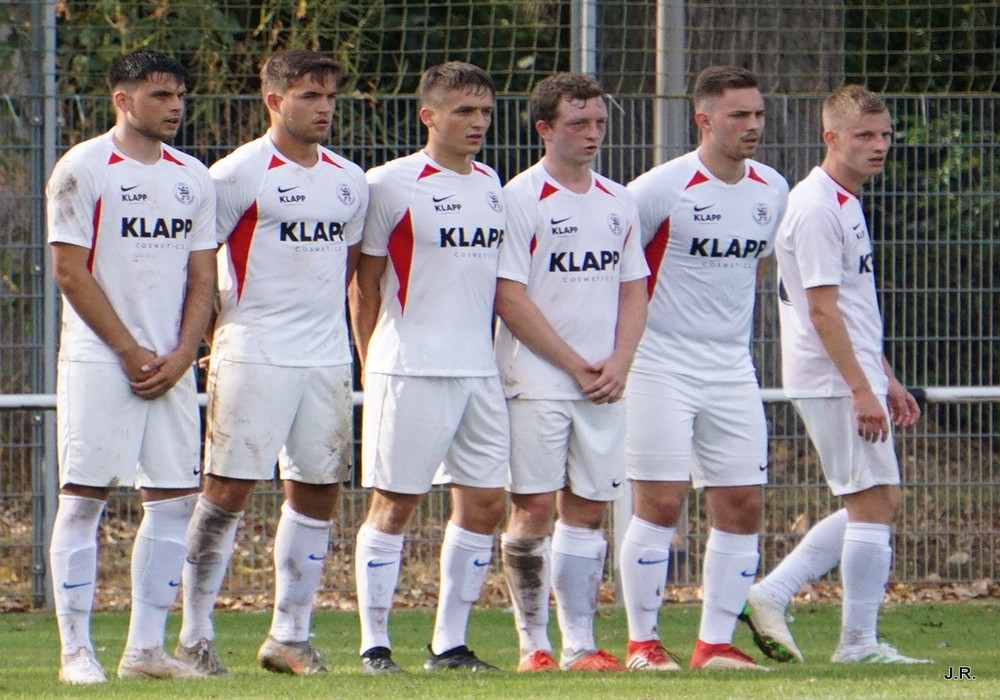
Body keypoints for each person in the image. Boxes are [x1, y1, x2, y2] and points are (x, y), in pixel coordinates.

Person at [176, 49, 369, 676]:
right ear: (274, 101)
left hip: (325, 357)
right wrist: (205, 341)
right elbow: (197, 269)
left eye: (330, 96)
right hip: (253, 350)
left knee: (320, 489)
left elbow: (346, 270)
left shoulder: (349, 180)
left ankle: (289, 636)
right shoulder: (236, 175)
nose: (324, 108)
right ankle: (194, 637)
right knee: (228, 489)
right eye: (310, 96)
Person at [46, 49, 216, 684]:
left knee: (174, 501)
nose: (175, 106)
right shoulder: (83, 167)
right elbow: (69, 271)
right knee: (83, 496)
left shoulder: (193, 176)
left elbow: (203, 278)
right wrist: (127, 350)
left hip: (171, 363)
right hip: (99, 357)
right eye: (160, 95)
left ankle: (145, 651)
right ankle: (75, 653)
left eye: (179, 95)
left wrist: (184, 354)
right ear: (122, 100)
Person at [742, 84, 928, 665]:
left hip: (850, 374)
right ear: (831, 138)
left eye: (885, 134)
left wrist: (884, 377)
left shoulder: (844, 200)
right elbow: (822, 312)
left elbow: (851, 307)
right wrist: (859, 388)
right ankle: (857, 644)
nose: (879, 145)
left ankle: (772, 592)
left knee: (878, 499)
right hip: (830, 378)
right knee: (872, 503)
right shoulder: (817, 206)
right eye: (864, 135)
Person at [619, 66, 788, 671]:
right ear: (704, 120)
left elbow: (756, 266)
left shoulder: (772, 188)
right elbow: (621, 275)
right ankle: (642, 644)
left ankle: (714, 644)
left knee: (742, 502)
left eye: (758, 114)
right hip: (658, 366)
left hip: (732, 367)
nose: (753, 125)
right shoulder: (657, 190)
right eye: (739, 115)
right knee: (660, 503)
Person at [349, 61, 508, 675]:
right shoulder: (390, 184)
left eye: (485, 112)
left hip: (479, 370)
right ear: (429, 116)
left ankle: (449, 644)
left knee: (486, 503)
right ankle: (374, 645)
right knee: (394, 504)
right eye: (464, 111)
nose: (478, 122)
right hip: (409, 367)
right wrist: (371, 363)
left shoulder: (491, 182)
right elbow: (363, 283)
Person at [496, 73, 649, 673]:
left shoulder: (619, 200)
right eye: (578, 123)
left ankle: (580, 644)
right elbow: (509, 297)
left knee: (588, 508)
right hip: (535, 379)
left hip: (604, 382)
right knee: (534, 506)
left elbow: (634, 289)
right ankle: (532, 645)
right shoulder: (519, 197)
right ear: (544, 129)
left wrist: (620, 362)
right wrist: (573, 364)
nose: (592, 134)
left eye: (599, 123)